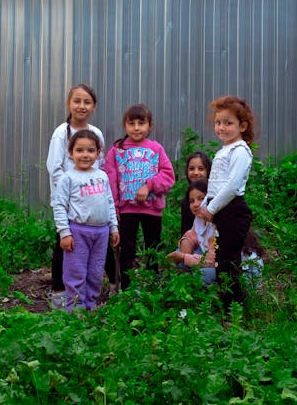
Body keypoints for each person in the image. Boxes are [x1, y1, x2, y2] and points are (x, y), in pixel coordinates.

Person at [103, 103, 175, 290]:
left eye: (141, 123)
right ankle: (126, 290)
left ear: (149, 126)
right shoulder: (117, 151)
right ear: (125, 125)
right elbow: (111, 181)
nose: (136, 127)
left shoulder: (156, 149)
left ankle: (151, 288)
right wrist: (115, 208)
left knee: (152, 249)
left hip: (152, 210)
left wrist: (149, 185)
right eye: (131, 123)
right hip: (127, 210)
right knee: (127, 250)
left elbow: (168, 176)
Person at [195, 95, 257, 310]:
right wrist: (208, 205)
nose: (222, 128)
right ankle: (226, 305)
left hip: (232, 210)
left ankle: (234, 310)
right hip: (222, 210)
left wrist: (211, 209)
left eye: (228, 123)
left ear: (242, 126)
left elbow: (231, 186)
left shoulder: (240, 150)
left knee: (229, 262)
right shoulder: (225, 149)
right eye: (218, 123)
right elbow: (216, 184)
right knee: (221, 260)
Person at [46, 84, 105, 309]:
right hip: (69, 202)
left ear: (94, 106)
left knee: (96, 244)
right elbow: (54, 168)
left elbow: (100, 164)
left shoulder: (96, 133)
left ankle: (92, 291)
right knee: (64, 243)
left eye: (87, 102)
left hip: (92, 201)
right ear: (69, 104)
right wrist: (70, 196)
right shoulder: (61, 133)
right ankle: (59, 290)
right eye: (77, 101)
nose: (81, 106)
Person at [51, 129, 120, 311]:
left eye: (90, 150)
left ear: (98, 153)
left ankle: (90, 304)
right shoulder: (67, 178)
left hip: (101, 233)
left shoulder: (102, 176)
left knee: (96, 272)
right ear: (71, 153)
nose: (85, 155)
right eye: (80, 150)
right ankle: (76, 307)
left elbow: (109, 203)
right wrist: (64, 233)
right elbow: (59, 207)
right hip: (78, 232)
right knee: (76, 271)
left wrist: (114, 227)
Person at [167, 179, 217, 285]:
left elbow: (214, 261)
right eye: (192, 201)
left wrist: (184, 257)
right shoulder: (200, 219)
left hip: (240, 271)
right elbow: (191, 235)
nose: (195, 204)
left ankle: (212, 298)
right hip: (215, 263)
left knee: (201, 275)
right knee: (182, 264)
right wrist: (186, 242)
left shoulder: (218, 222)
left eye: (201, 199)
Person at [180, 151, 212, 236]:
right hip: (195, 243)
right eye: (191, 169)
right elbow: (185, 234)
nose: (196, 173)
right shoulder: (186, 201)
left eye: (201, 169)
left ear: (208, 171)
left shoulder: (216, 196)